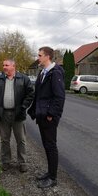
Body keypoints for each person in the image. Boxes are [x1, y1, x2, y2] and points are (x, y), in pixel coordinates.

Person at [27, 47, 65, 188]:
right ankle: (49, 173)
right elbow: (39, 95)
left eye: (40, 55)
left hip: (48, 117)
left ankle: (53, 178)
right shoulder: (43, 72)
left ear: (47, 56)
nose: (38, 58)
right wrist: (33, 110)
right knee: (46, 145)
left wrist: (51, 115)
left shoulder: (55, 73)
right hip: (41, 115)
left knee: (51, 146)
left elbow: (59, 97)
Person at [0, 59, 34, 172]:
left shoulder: (23, 79)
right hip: (3, 114)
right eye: (3, 65)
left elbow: (30, 94)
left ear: (13, 66)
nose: (4, 67)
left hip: (18, 114)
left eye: (6, 65)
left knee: (21, 140)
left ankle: (22, 162)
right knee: (4, 140)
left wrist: (23, 107)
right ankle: (6, 161)